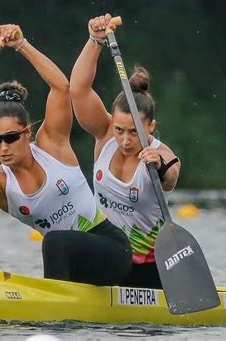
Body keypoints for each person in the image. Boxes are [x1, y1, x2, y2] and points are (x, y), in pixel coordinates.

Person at [0, 24, 132, 286]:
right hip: (76, 264)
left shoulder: (51, 145)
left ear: (27, 133)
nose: (3, 147)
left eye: (10, 137)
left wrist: (21, 45)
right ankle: (59, 309)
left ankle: (51, 314)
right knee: (55, 244)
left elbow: (61, 88)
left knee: (53, 241)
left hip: (111, 249)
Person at [69, 14, 181, 289]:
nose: (126, 140)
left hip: (147, 268)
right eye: (120, 130)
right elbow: (78, 90)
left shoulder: (160, 152)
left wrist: (159, 165)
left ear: (151, 126)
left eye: (135, 132)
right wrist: (95, 40)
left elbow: (172, 177)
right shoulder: (105, 135)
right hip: (107, 257)